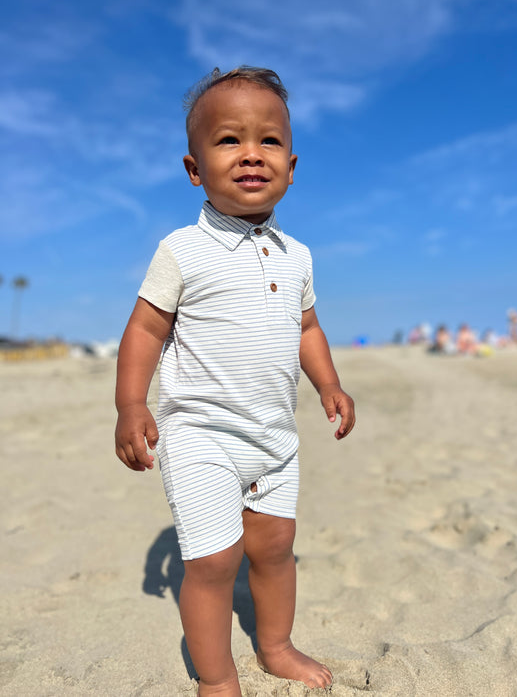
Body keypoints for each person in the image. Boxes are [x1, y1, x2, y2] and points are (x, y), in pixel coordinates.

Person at [115, 66, 356, 696]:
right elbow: (144, 331)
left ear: (292, 165)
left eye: (269, 140)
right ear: (195, 169)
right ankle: (217, 679)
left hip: (273, 434)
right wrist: (130, 404)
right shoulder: (182, 250)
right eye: (228, 140)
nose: (252, 153)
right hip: (199, 434)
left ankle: (275, 646)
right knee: (214, 560)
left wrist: (329, 383)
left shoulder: (297, 255)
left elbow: (307, 328)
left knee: (275, 547)